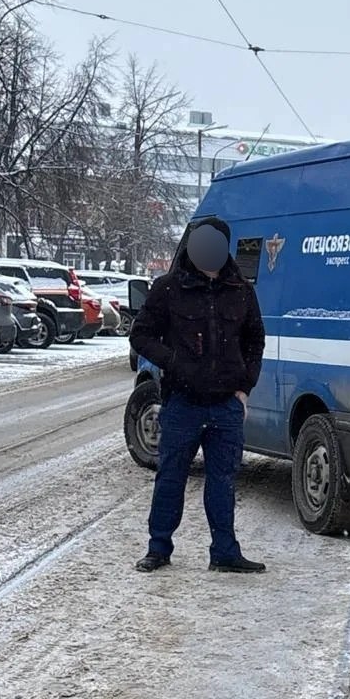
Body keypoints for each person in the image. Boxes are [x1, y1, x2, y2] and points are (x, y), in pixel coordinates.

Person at [130, 218, 266, 575]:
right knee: (171, 477)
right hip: (183, 404)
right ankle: (158, 548)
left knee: (223, 481)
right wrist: (173, 362)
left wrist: (244, 387)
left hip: (226, 406)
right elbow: (140, 335)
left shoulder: (241, 290)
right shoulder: (168, 289)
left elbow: (255, 340)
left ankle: (224, 552)